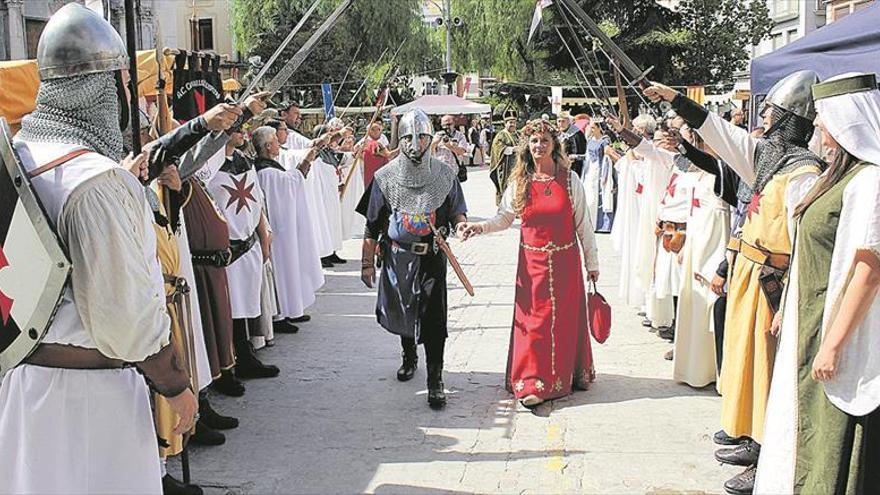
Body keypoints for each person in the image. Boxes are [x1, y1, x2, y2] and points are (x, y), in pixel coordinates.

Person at [0, 4, 196, 492]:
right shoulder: (97, 182)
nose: (129, 95)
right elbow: (128, 320)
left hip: (24, 389)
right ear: (102, 86)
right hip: (91, 403)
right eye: (125, 84)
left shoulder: (17, 159)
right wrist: (176, 386)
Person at [644, 71, 824, 494]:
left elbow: (803, 247)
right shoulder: (767, 158)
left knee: (767, 369)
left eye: (771, 112)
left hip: (771, 283)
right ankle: (751, 435)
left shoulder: (802, 174)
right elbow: (719, 133)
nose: (762, 115)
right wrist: (675, 98)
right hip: (747, 273)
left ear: (787, 120)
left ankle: (769, 457)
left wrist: (787, 301)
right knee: (744, 361)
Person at [755, 72, 880, 495]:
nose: (820, 128)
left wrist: (833, 344)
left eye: (826, 119)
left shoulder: (869, 181)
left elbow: (869, 268)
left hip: (832, 332)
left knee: (827, 436)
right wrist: (788, 309)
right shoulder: (837, 175)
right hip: (806, 320)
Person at [459, 119, 599, 408]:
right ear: (527, 146)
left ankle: (567, 374)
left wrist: (592, 263)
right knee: (533, 323)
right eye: (534, 141)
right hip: (531, 265)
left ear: (554, 145)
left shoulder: (570, 181)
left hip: (565, 263)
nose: (539, 146)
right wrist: (479, 228)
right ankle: (532, 380)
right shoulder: (519, 182)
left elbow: (584, 224)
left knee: (563, 321)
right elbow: (504, 219)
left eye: (545, 141)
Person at [356, 108, 468, 410]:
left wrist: (460, 224)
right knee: (404, 309)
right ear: (400, 139)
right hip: (397, 257)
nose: (415, 143)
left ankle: (435, 379)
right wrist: (367, 262)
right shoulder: (386, 176)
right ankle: (409, 356)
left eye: (421, 136)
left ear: (430, 138)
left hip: (431, 256)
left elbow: (458, 209)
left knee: (434, 318)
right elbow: (372, 222)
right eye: (408, 136)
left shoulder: (444, 174)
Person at [204, 130, 281, 380]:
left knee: (245, 304)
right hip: (225, 249)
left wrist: (263, 236)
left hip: (248, 245)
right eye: (235, 127)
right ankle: (227, 367)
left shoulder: (244, 160)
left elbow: (256, 201)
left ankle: (246, 356)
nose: (242, 132)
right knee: (227, 308)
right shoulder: (207, 165)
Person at [253, 126, 325, 326]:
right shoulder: (266, 172)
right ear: (268, 146)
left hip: (280, 228)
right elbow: (290, 183)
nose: (279, 143)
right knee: (281, 270)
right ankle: (281, 313)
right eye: (276, 140)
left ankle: (291, 307)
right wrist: (306, 161)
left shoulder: (269, 168)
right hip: (277, 230)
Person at [584, 120, 612, 232]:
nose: (591, 130)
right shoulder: (590, 140)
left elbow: (607, 158)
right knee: (589, 195)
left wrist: (605, 174)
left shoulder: (605, 141)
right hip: (590, 169)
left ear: (599, 128)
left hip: (600, 169)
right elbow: (587, 157)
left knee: (599, 195)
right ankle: (588, 222)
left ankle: (601, 224)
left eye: (593, 128)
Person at [490, 110, 519, 205]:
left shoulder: (517, 134)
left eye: (514, 122)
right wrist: (513, 149)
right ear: (505, 123)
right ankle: (505, 208)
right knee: (507, 189)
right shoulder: (501, 135)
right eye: (510, 122)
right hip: (505, 167)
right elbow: (498, 148)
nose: (512, 125)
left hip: (517, 167)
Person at [558, 111, 587, 177]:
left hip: (575, 167)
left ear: (568, 122)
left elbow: (583, 154)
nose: (560, 124)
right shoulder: (560, 134)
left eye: (563, 121)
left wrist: (574, 157)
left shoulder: (577, 134)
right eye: (559, 121)